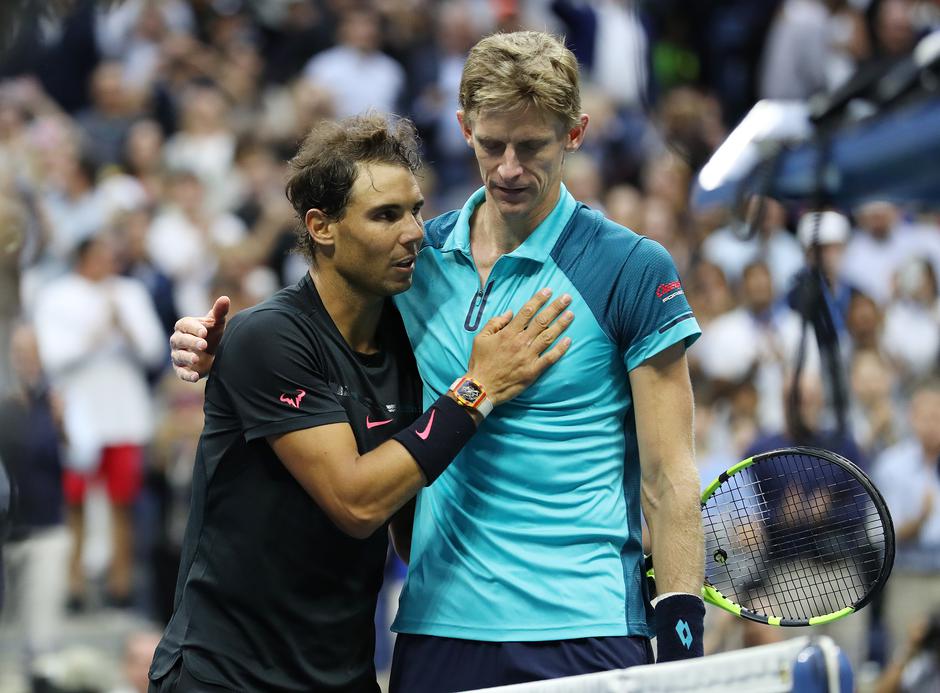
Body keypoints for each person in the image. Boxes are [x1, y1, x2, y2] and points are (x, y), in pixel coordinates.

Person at [170, 30, 705, 690]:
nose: (508, 167)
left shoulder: (630, 266)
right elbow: (318, 328)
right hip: (435, 628)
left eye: (532, 146)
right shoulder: (414, 260)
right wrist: (222, 343)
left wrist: (683, 647)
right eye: (491, 144)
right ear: (463, 128)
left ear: (575, 133)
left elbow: (669, 475)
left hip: (583, 626)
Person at [149, 112, 574, 692]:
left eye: (416, 211)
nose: (415, 232)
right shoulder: (268, 339)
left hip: (342, 674)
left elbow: (405, 522)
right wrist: (478, 390)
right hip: (226, 676)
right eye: (385, 215)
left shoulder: (407, 342)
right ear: (322, 227)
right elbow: (356, 502)